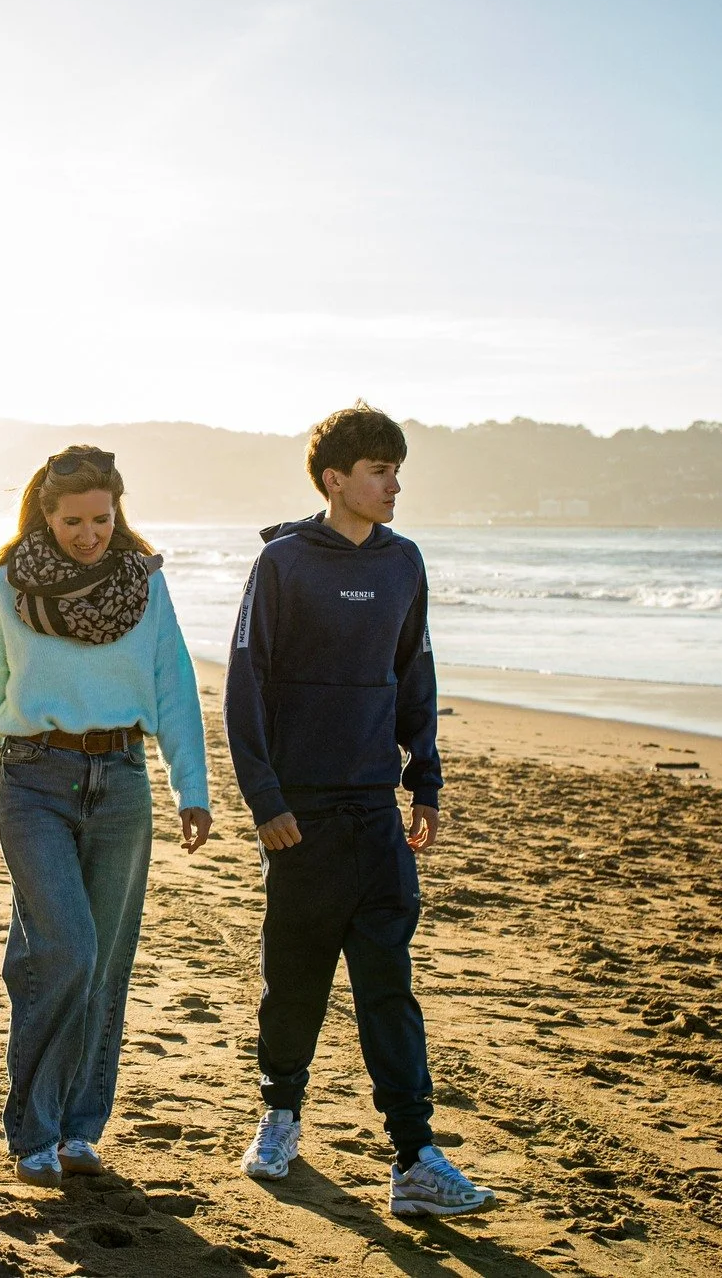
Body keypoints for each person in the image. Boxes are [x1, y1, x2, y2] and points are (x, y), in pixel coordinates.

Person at [223, 404, 495, 1217]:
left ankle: (413, 1155)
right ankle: (280, 1112)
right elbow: (245, 687)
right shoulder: (282, 564)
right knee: (295, 978)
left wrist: (428, 782)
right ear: (335, 479)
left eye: (397, 469)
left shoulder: (405, 563)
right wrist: (264, 798)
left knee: (388, 984)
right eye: (379, 470)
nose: (394, 483)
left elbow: (416, 673)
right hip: (301, 814)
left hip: (378, 809)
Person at [0, 445, 213, 1187]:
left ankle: (79, 1126)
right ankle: (32, 1127)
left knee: (104, 963)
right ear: (45, 511)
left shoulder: (144, 582)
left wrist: (189, 788)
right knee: (65, 947)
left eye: (101, 519)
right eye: (73, 521)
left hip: (125, 782)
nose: (90, 534)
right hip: (33, 778)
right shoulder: (4, 588)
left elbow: (172, 683)